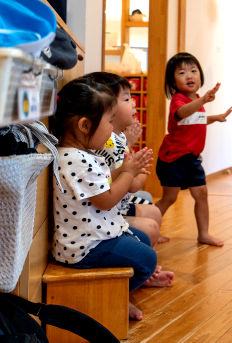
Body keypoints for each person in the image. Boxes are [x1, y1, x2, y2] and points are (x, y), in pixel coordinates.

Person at [50, 78, 174, 321]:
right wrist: (128, 173)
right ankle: (119, 295)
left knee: (145, 240)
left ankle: (130, 282)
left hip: (99, 235)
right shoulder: (75, 160)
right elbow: (106, 199)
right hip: (85, 248)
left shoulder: (83, 153)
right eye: (108, 121)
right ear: (85, 126)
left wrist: (125, 169)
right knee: (148, 258)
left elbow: (104, 181)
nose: (111, 129)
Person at [154, 52, 232, 247]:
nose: (189, 75)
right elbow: (183, 113)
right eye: (182, 72)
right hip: (172, 159)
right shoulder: (179, 100)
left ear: (200, 77)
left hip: (191, 159)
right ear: (173, 82)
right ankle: (148, 230)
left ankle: (203, 234)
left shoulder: (196, 99)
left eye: (193, 70)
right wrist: (203, 101)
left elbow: (195, 120)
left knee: (201, 193)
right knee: (169, 198)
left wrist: (216, 117)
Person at [83, 72, 169, 245]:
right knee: (151, 223)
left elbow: (125, 168)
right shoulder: (109, 142)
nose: (134, 103)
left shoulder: (117, 136)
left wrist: (130, 146)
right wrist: (141, 167)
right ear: (108, 107)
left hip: (116, 204)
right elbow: (134, 185)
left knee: (153, 211)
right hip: (109, 212)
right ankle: (147, 251)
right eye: (127, 99)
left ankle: (148, 244)